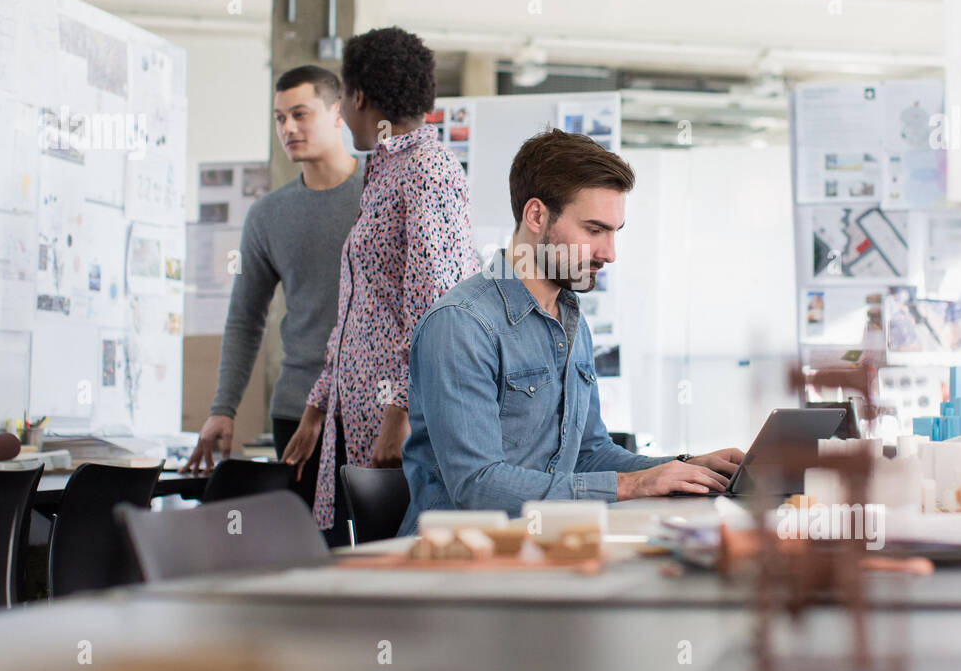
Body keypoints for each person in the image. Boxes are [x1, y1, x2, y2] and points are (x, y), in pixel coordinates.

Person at [398, 129, 746, 534]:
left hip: (548, 547)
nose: (609, 254)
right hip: (459, 560)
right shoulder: (461, 324)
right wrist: (631, 485)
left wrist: (684, 468)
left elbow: (589, 455)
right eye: (594, 230)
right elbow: (478, 486)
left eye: (615, 232)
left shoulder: (570, 321)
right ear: (536, 216)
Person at [281, 27, 479, 545]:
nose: (342, 112)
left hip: (399, 430)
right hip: (361, 416)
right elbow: (361, 309)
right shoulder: (385, 168)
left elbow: (436, 312)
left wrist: (399, 414)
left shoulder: (425, 173)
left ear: (360, 97)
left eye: (343, 97)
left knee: (396, 580)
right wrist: (319, 403)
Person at [183, 66, 363, 512]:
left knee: (376, 555)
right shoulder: (267, 216)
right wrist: (222, 409)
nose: (288, 128)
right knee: (310, 555)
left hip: (373, 406)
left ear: (337, 113)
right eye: (279, 118)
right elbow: (245, 319)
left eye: (300, 114)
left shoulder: (379, 194)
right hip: (297, 411)